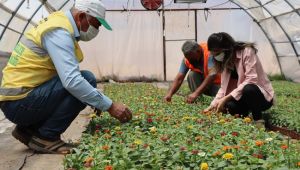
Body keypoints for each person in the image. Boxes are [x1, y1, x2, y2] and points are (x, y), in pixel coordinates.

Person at [0, 0, 132, 154]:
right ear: (81, 16)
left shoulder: (58, 23)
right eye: (96, 25)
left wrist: (95, 97)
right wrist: (110, 105)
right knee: (86, 79)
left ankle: (27, 130)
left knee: (83, 83)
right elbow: (72, 82)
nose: (96, 30)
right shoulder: (59, 31)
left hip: (18, 100)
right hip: (20, 103)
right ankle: (46, 137)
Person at [204, 32, 274, 127]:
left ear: (227, 49)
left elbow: (251, 79)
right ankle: (245, 120)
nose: (216, 56)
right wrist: (213, 105)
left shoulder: (247, 51)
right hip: (243, 98)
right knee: (229, 106)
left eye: (218, 53)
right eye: (214, 54)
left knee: (249, 88)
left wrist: (225, 98)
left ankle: (258, 121)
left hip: (260, 98)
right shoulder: (225, 60)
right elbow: (223, 88)